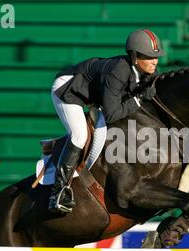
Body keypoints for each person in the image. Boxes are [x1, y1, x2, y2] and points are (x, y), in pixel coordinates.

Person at [49, 29, 165, 214]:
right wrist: (138, 99)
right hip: (68, 89)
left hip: (92, 93)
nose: (154, 61)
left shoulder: (146, 70)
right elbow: (112, 114)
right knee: (79, 136)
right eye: (149, 56)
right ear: (135, 56)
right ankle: (58, 192)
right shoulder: (117, 71)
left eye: (156, 56)